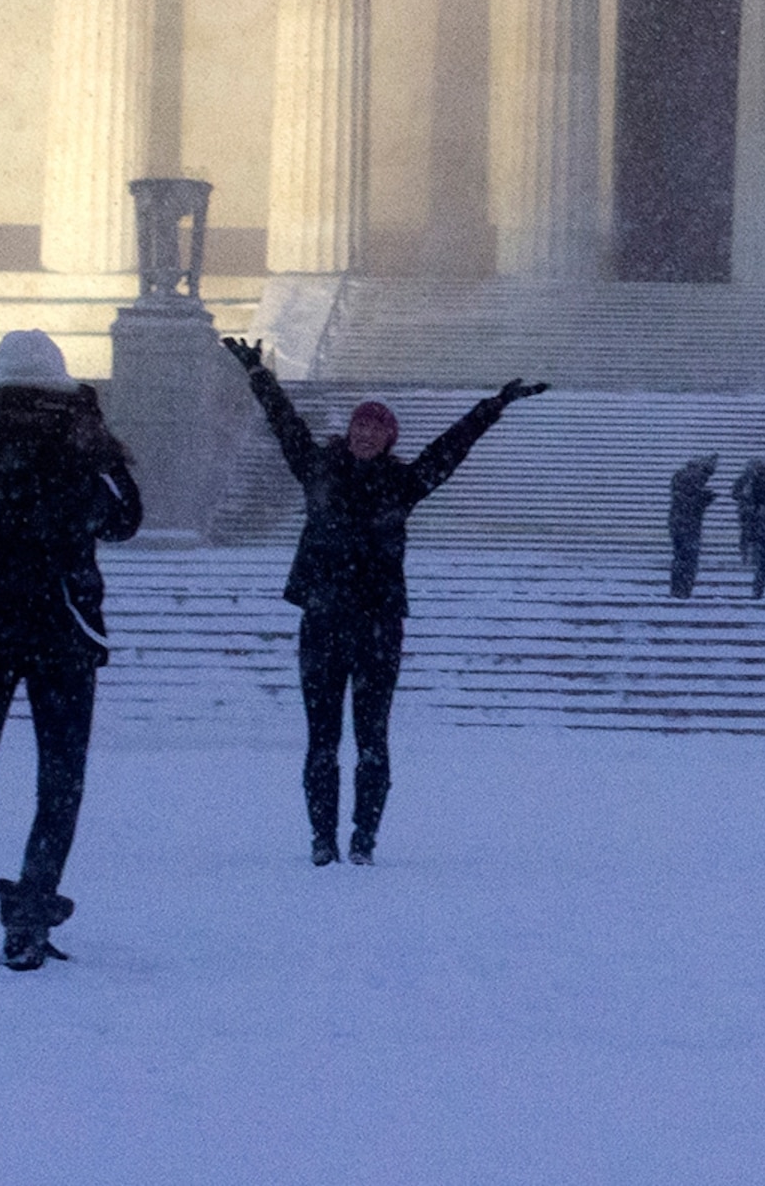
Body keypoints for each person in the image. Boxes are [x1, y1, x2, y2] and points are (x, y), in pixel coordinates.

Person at [226, 339, 545, 866]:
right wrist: (259, 374)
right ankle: (323, 837)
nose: (365, 434)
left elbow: (450, 449)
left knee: (372, 740)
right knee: (322, 740)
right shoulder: (318, 469)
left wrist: (493, 406)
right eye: (359, 426)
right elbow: (286, 425)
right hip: (324, 620)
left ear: (388, 438)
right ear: (350, 432)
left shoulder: (403, 483)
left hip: (377, 624)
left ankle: (363, 838)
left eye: (376, 428)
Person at [0, 329, 143, 970]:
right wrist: (78, 467)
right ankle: (30, 919)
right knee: (59, 781)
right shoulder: (81, 438)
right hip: (61, 628)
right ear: (61, 380)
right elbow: (125, 517)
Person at [667, 454, 716, 599]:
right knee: (689, 558)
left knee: (679, 557)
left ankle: (676, 588)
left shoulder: (680, 476)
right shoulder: (696, 478)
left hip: (677, 522)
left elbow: (681, 499)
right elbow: (690, 504)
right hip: (689, 524)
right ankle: (684, 589)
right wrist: (704, 499)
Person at [736, 446, 765, 598]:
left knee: (764, 563)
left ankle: (759, 590)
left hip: (763, 525)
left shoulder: (757, 480)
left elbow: (747, 497)